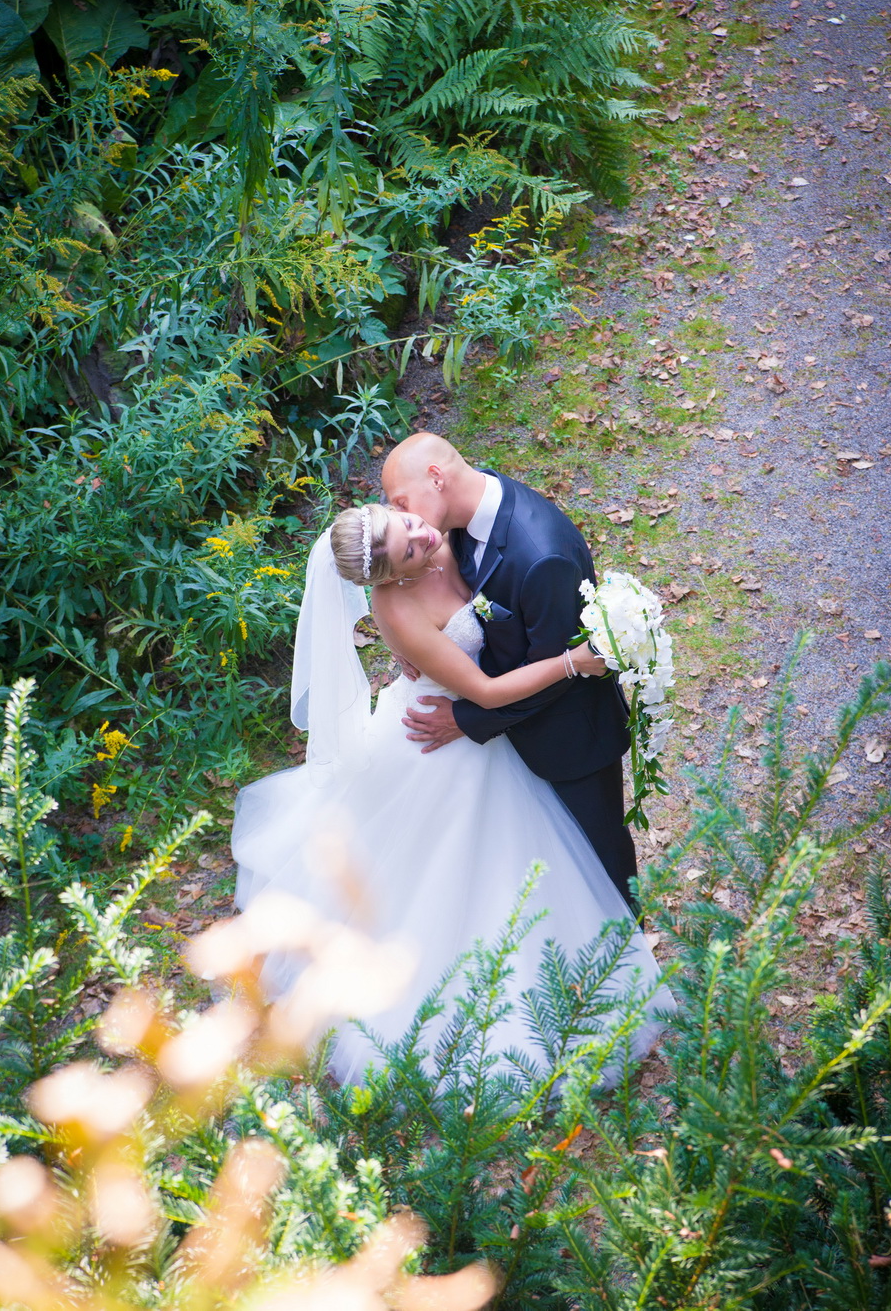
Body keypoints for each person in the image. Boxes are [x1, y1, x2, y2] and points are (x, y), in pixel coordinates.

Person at [231, 500, 672, 1085]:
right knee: (453, 871)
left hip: (480, 727)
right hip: (445, 734)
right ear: (392, 579)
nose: (421, 536)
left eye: (407, 524)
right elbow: (487, 695)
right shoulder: (398, 606)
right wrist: (575, 663)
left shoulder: (442, 527)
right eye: (408, 549)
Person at [381, 433, 638, 909]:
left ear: (436, 478)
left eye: (400, 501)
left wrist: (465, 720)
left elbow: (565, 673)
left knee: (602, 876)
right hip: (505, 741)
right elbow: (387, 566)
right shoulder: (447, 524)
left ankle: (629, 971)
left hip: (567, 741)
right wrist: (406, 634)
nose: (400, 517)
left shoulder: (542, 557)